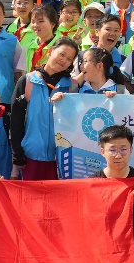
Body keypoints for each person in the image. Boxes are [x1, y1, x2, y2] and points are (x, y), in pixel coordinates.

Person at [7, 39, 80, 179]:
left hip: (61, 158)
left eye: (69, 59)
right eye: (62, 54)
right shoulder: (27, 81)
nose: (64, 60)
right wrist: (18, 154)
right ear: (51, 51)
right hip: (32, 156)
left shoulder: (72, 86)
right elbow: (16, 120)